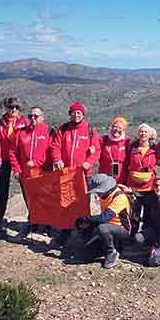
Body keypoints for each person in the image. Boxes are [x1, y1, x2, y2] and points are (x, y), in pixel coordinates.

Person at [50, 101, 100, 247]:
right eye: (73, 112)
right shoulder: (64, 129)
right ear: (70, 114)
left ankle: (85, 232)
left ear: (83, 114)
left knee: (83, 203)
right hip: (66, 173)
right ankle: (66, 230)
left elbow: (97, 150)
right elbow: (55, 146)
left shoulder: (89, 130)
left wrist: (88, 163)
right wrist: (57, 159)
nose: (76, 115)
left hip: (83, 174)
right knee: (66, 202)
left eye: (79, 112)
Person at [72, 174, 130, 269]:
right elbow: (98, 216)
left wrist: (86, 218)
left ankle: (111, 252)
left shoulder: (119, 197)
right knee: (84, 254)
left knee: (103, 228)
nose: (97, 194)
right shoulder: (104, 195)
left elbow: (104, 217)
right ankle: (105, 246)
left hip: (123, 229)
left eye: (99, 191)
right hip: (108, 226)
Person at [10, 106, 52, 235]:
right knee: (30, 199)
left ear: (42, 118)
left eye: (36, 116)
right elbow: (12, 152)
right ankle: (34, 221)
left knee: (45, 198)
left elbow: (50, 152)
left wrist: (36, 162)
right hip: (26, 174)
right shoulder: (21, 133)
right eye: (30, 116)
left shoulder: (48, 132)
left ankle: (48, 223)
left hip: (43, 172)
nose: (33, 118)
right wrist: (17, 169)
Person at [0, 96, 27, 230]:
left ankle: (34, 218)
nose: (14, 110)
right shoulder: (0, 122)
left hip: (20, 159)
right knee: (3, 189)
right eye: (11, 107)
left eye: (16, 107)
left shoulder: (24, 122)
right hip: (4, 158)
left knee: (26, 188)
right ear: (6, 108)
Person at [124, 123, 158, 234]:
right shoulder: (131, 148)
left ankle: (145, 235)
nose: (143, 134)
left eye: (145, 131)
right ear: (138, 134)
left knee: (148, 214)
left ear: (149, 134)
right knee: (134, 214)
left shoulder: (155, 148)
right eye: (141, 131)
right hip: (134, 186)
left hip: (149, 187)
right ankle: (132, 235)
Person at [99, 117, 131, 186]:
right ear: (111, 127)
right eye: (115, 126)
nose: (117, 129)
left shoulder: (127, 141)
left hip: (122, 180)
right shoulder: (103, 140)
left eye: (120, 128)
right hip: (105, 179)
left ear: (123, 130)